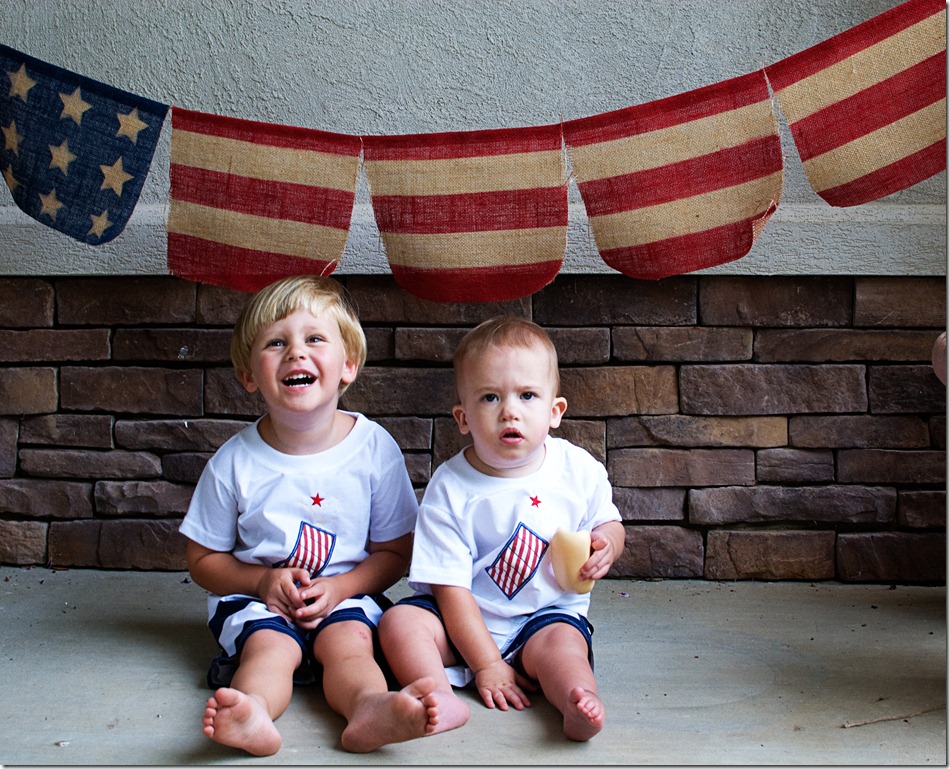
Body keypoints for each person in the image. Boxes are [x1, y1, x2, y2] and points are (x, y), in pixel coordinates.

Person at [179, 275, 438, 756]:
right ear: (248, 375)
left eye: (315, 339)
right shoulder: (236, 462)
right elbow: (201, 560)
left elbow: (395, 552)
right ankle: (252, 710)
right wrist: (259, 583)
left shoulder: (373, 448)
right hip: (259, 599)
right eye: (276, 343)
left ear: (349, 365)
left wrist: (340, 588)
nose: (296, 353)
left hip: (346, 593)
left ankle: (368, 706)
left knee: (351, 645)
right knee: (269, 649)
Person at [379, 315, 626, 742]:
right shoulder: (451, 487)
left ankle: (577, 699)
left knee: (564, 649)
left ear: (554, 411)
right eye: (490, 397)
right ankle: (437, 695)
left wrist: (608, 546)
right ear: (463, 418)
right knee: (399, 623)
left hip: (544, 615)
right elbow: (450, 589)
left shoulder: (577, 469)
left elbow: (608, 522)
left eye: (527, 395)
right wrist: (486, 664)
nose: (510, 410)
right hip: (463, 619)